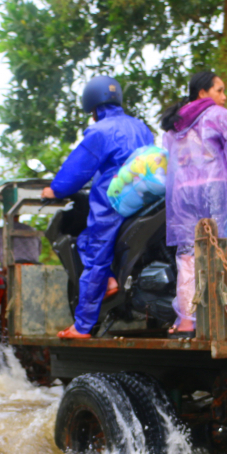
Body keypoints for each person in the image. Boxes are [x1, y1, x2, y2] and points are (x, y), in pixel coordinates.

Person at [41, 75, 154, 338]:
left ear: (93, 107)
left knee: (91, 249)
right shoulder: (140, 126)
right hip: (147, 195)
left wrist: (54, 189)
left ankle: (82, 326)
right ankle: (113, 279)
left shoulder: (99, 131)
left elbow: (77, 170)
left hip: (115, 199)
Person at [161, 71, 227, 336]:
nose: (224, 97)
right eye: (219, 90)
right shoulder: (219, 116)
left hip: (183, 196)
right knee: (226, 254)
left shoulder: (175, 125)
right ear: (203, 93)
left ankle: (186, 321)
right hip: (216, 192)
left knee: (188, 255)